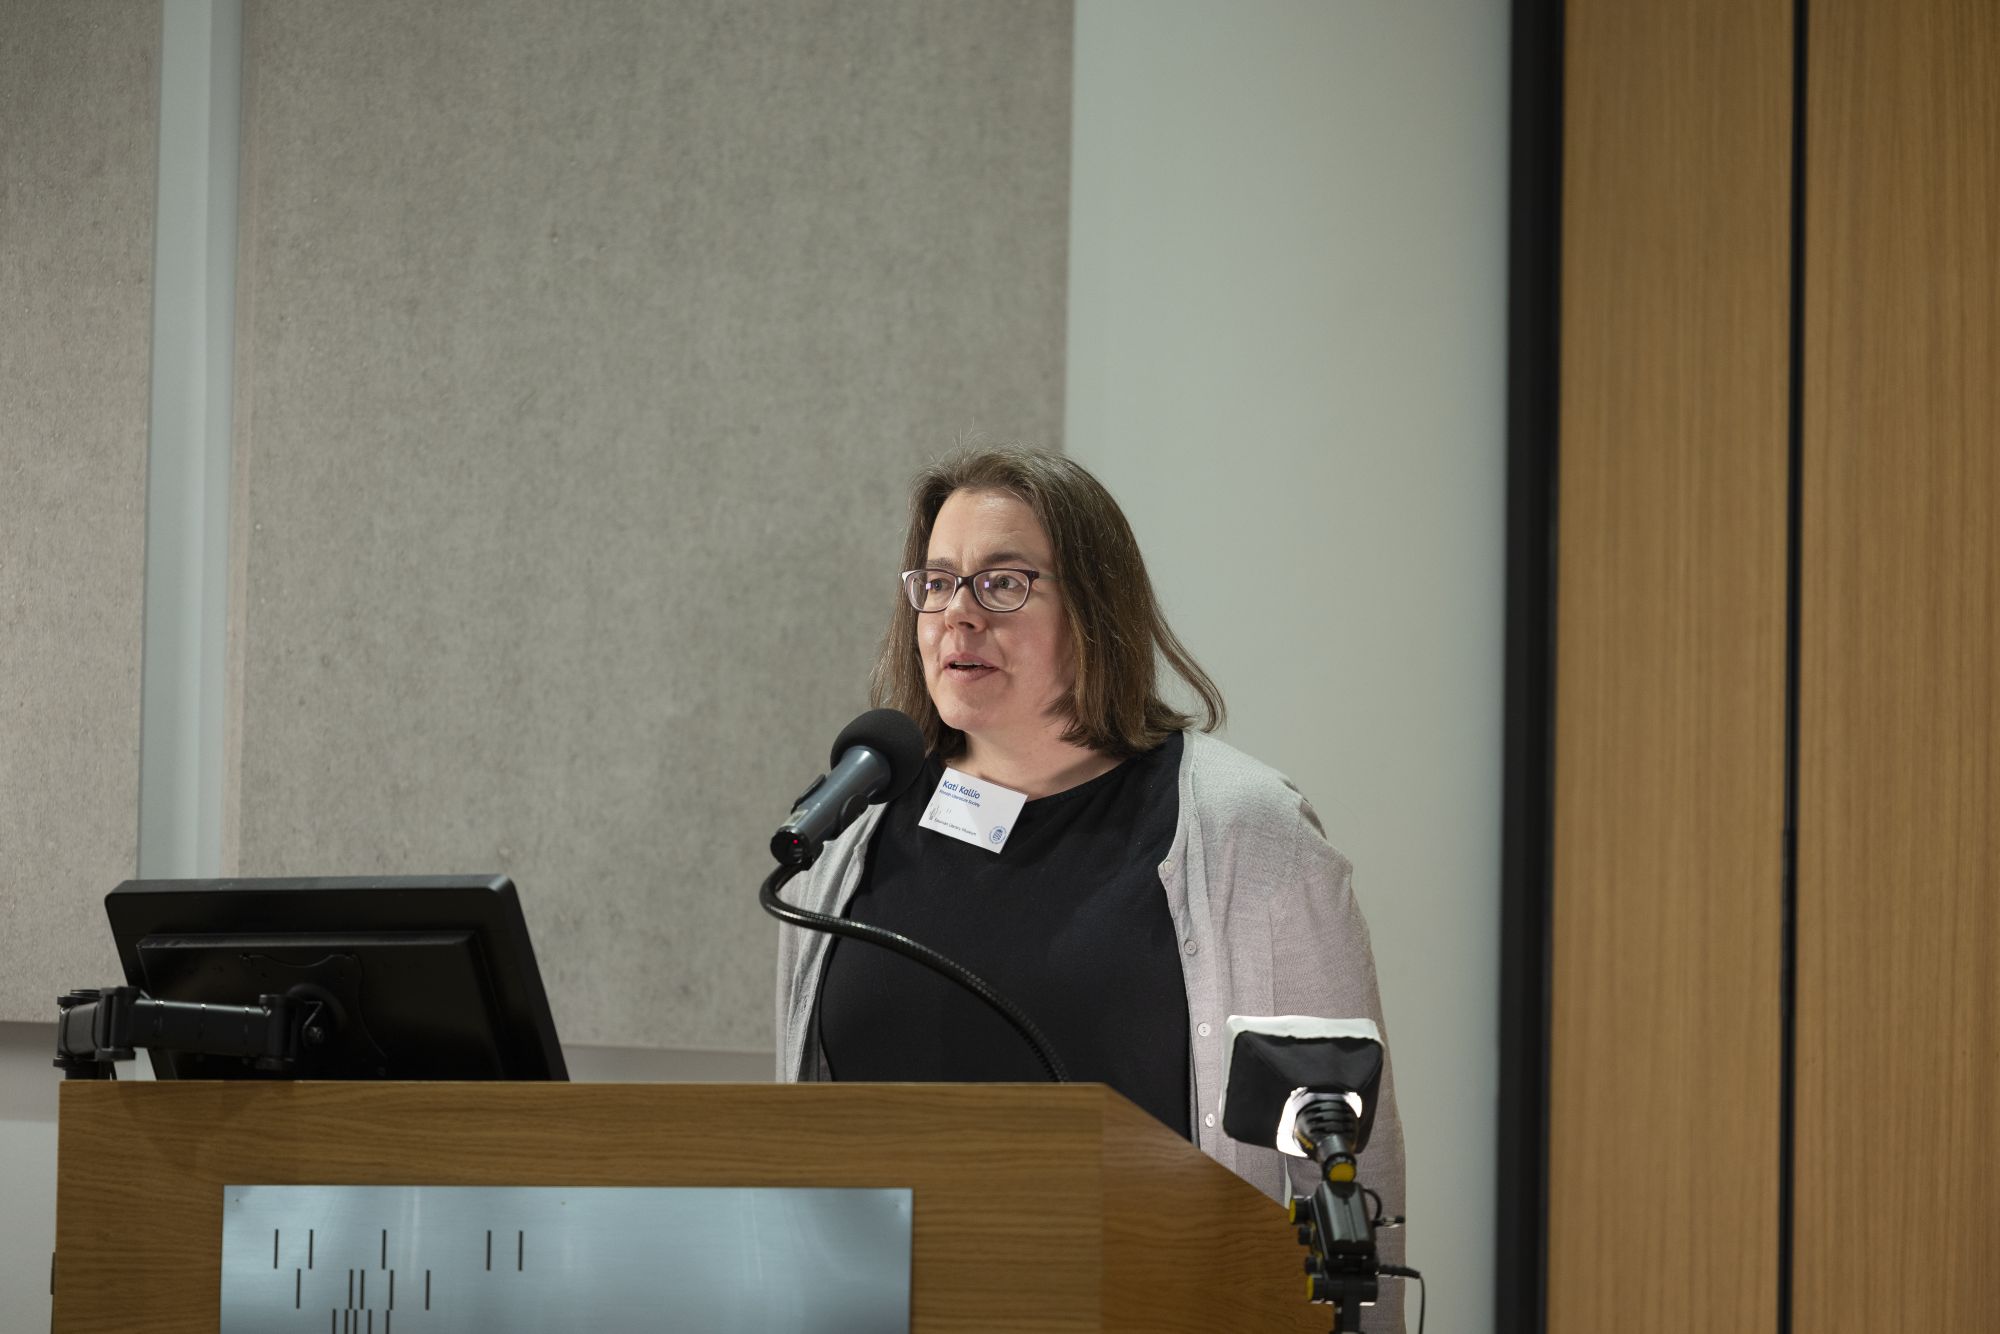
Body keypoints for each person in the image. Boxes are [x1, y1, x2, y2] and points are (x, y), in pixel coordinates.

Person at [772, 447, 1404, 1301]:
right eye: (939, 582)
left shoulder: (1248, 833)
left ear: (1095, 609)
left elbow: (1351, 1170)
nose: (958, 616)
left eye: (1003, 583)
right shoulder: (852, 828)